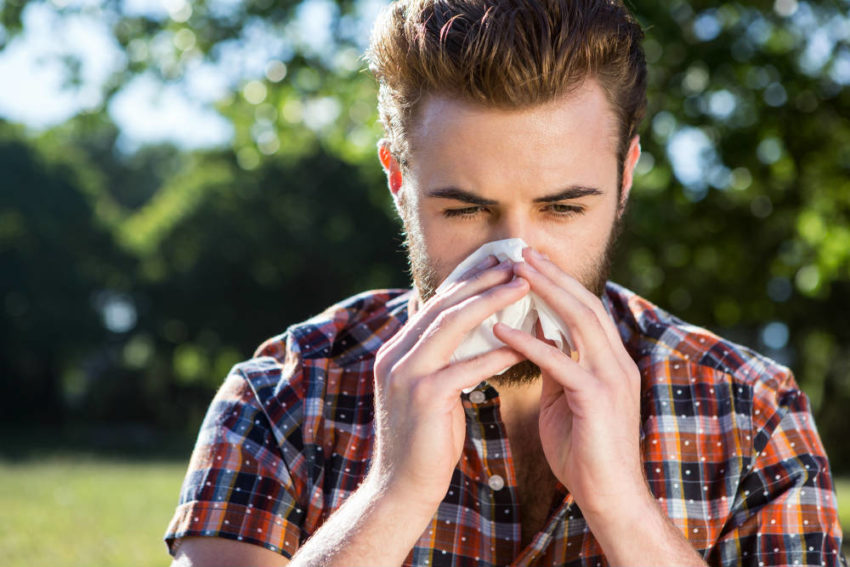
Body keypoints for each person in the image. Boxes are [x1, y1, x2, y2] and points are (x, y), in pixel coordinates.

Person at [164, 0, 846, 565]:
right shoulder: (278, 398)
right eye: (465, 210)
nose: (515, 261)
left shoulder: (753, 413)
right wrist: (392, 495)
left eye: (563, 208)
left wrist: (623, 508)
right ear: (399, 181)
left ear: (624, 178)